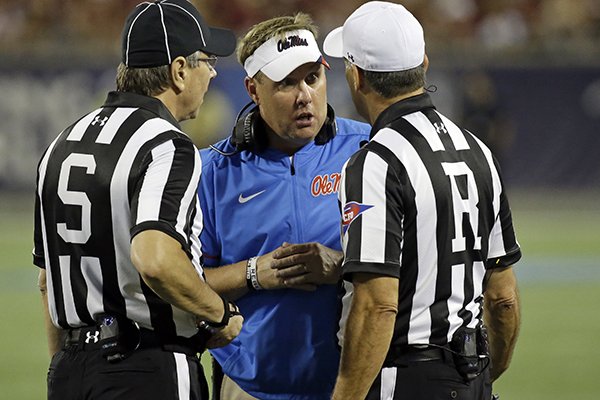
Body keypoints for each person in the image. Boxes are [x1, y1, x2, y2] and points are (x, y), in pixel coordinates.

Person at [33, 1, 242, 399]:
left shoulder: (60, 144)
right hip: (146, 367)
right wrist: (219, 314)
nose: (213, 72)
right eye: (206, 60)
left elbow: (48, 282)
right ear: (179, 71)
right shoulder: (167, 145)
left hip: (71, 372)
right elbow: (156, 258)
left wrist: (63, 368)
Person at [322, 2, 522, 399]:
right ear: (423, 64)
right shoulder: (479, 151)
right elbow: (503, 298)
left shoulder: (376, 161)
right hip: (473, 373)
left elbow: (378, 305)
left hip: (408, 377)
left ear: (356, 76)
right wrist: (484, 375)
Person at [197, 13, 370, 400]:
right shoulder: (213, 171)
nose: (305, 95)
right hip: (250, 388)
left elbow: (417, 264)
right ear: (253, 90)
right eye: (286, 83)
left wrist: (343, 267)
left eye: (313, 77)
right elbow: (187, 283)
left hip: (352, 385)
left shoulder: (368, 150)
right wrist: (256, 273)